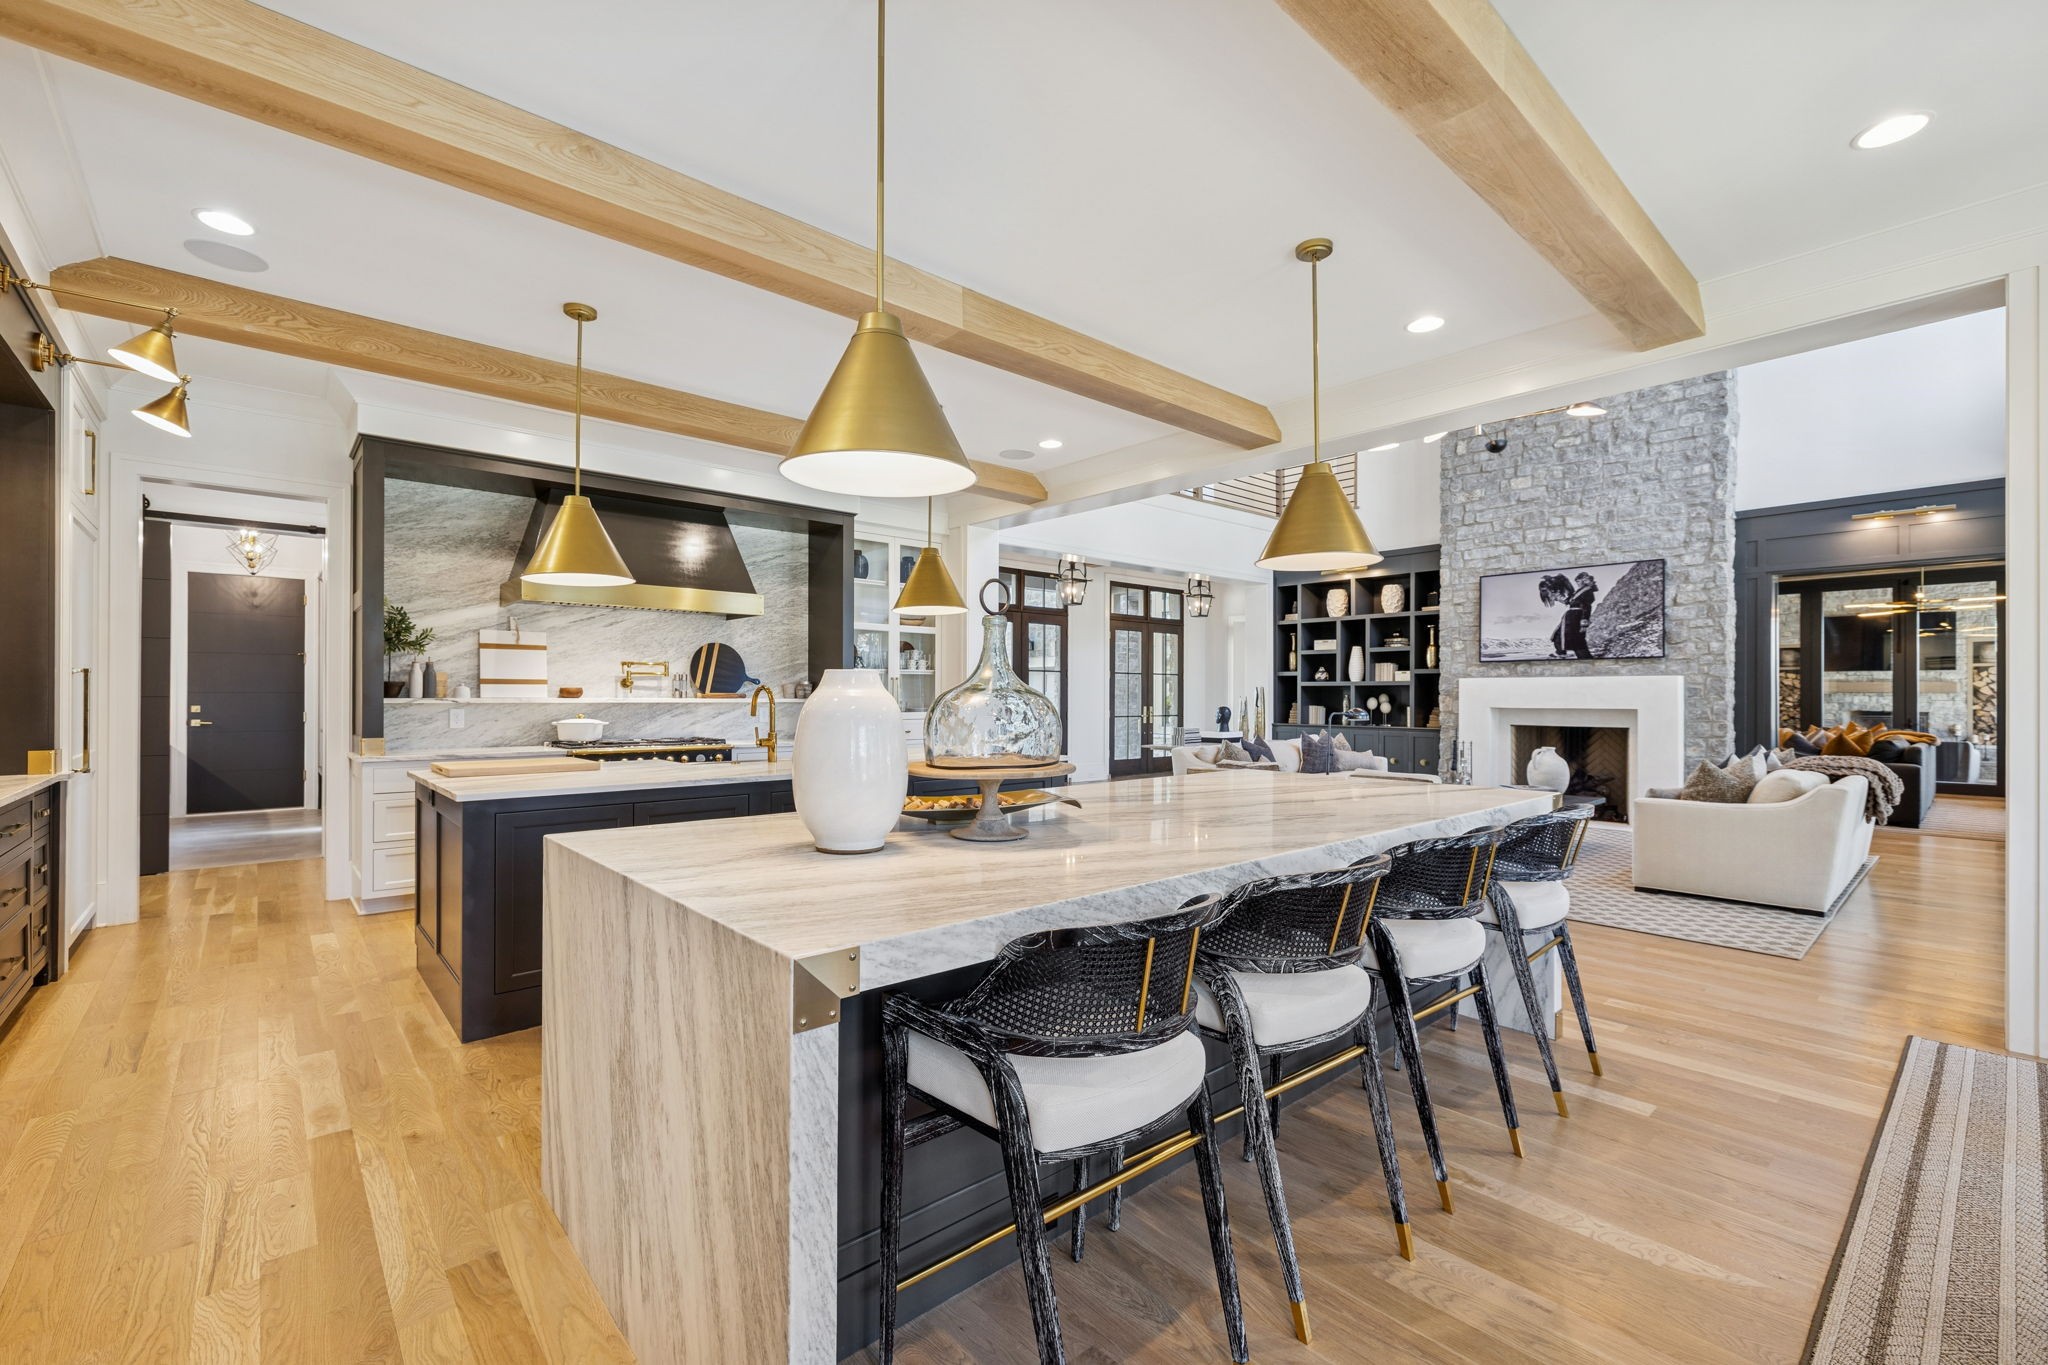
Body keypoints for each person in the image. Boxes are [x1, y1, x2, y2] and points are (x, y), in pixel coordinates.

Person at [1560, 571, 1599, 658]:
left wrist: (1584, 623)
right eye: (1576, 581)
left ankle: (1586, 659)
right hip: (1572, 618)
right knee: (1574, 641)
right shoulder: (1578, 591)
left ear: (1584, 581)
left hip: (1577, 618)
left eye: (1578, 581)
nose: (1577, 583)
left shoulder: (1587, 591)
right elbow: (1569, 602)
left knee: (1578, 640)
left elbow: (1587, 607)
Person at [1538, 574, 1575, 656]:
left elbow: (1568, 590)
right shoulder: (1549, 587)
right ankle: (1561, 652)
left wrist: (1568, 597)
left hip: (1573, 611)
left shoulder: (1558, 582)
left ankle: (1562, 652)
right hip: (1570, 608)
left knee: (1560, 634)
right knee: (1558, 635)